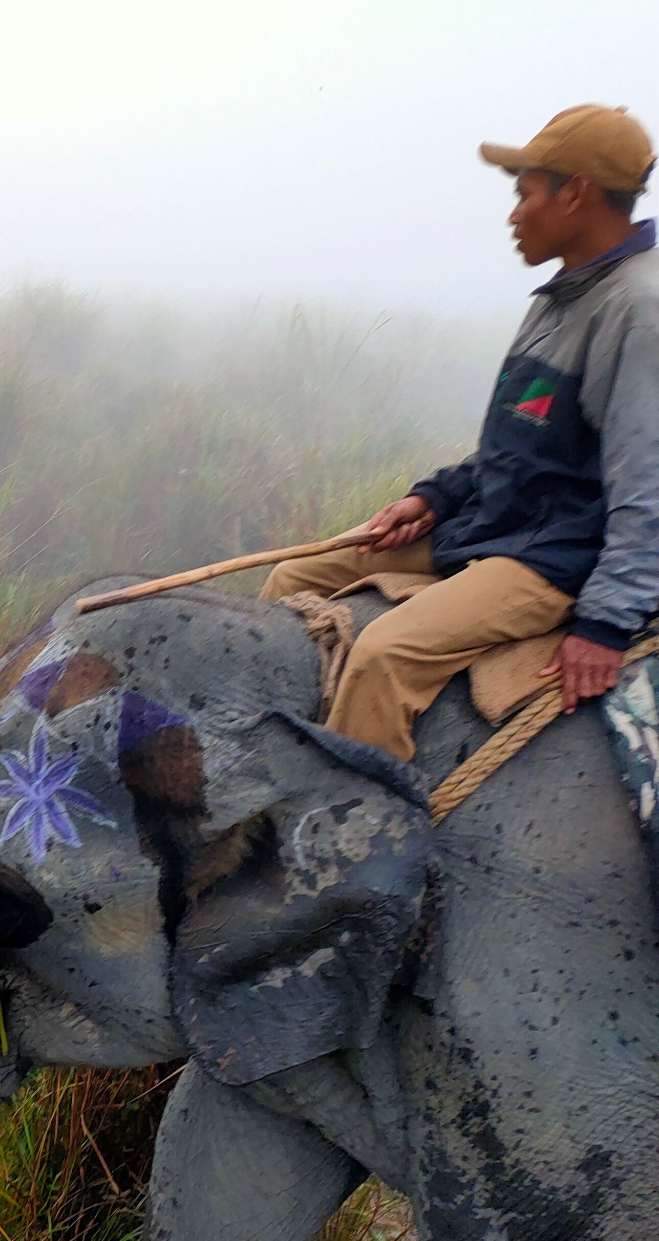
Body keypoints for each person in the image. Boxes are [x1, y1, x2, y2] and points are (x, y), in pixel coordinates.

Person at [263, 104, 659, 763]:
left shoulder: (638, 311)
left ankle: (357, 846)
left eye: (525, 193)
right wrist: (434, 498)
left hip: (551, 557)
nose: (513, 214)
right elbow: (519, 448)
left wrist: (606, 624)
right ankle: (286, 762)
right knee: (293, 578)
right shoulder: (561, 297)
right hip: (493, 523)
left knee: (385, 655)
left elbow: (648, 484)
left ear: (577, 194)